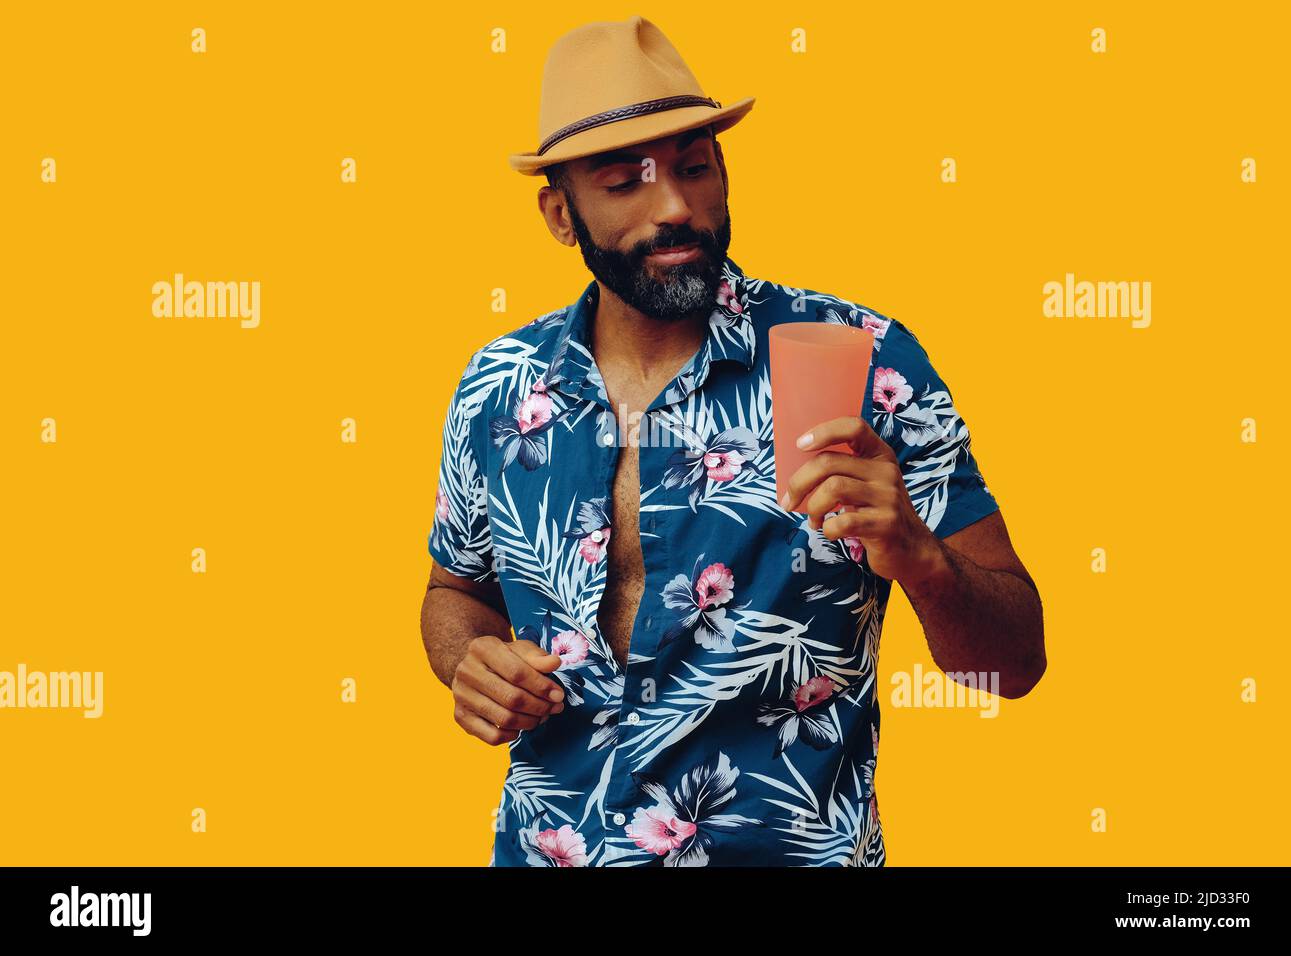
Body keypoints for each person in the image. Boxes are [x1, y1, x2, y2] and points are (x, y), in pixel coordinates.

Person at [419, 15, 1044, 867]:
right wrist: (471, 662)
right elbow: (453, 593)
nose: (675, 206)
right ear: (560, 214)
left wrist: (920, 555)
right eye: (625, 182)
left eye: (692, 167)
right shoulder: (499, 387)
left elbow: (1013, 665)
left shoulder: (867, 362)